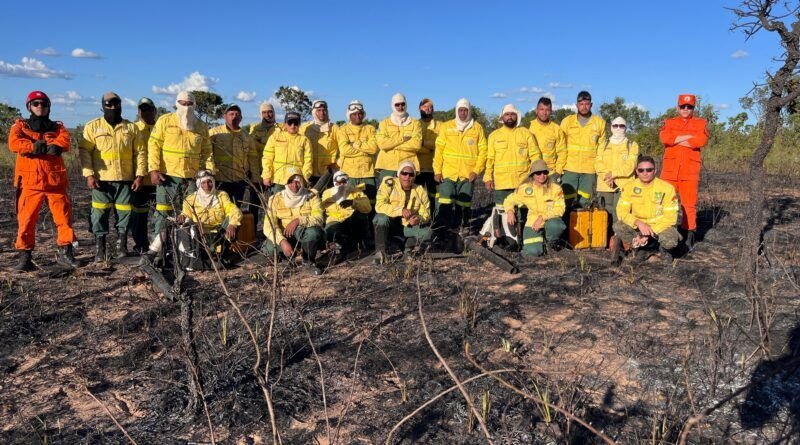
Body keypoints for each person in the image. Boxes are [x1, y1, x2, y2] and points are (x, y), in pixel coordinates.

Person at [8, 91, 79, 270]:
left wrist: (57, 146)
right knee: (26, 221)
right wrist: (32, 147)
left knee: (64, 220)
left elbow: (65, 141)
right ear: (29, 106)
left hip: (55, 183)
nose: (40, 106)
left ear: (49, 106)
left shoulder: (57, 127)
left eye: (43, 103)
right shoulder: (20, 126)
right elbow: (13, 143)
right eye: (36, 103)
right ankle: (25, 258)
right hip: (30, 184)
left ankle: (66, 254)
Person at [144, 90, 214, 261]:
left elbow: (207, 151)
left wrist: (208, 173)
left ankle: (185, 252)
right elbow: (153, 145)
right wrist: (153, 169)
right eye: (183, 103)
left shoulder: (200, 126)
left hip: (192, 178)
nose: (186, 107)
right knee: (163, 213)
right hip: (168, 177)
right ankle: (158, 252)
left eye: (190, 104)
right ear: (177, 103)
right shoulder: (165, 121)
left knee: (190, 215)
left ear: (195, 105)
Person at [79, 92, 147, 261]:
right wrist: (89, 174)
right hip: (101, 181)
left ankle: (122, 247)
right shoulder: (93, 127)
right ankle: (100, 250)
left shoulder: (131, 128)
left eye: (116, 104)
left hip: (125, 180)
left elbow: (140, 153)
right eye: (108, 105)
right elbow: (85, 152)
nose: (113, 107)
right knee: (99, 215)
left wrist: (139, 176)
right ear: (103, 106)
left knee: (125, 215)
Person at [660, 94, 710, 251]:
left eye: (689, 107)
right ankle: (664, 234)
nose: (686, 109)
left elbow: (700, 141)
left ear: (693, 108)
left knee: (689, 205)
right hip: (670, 171)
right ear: (678, 107)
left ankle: (688, 235)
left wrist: (676, 138)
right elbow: (664, 138)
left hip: (689, 172)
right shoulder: (669, 122)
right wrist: (687, 137)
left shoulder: (701, 123)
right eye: (683, 106)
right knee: (664, 203)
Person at [612, 156, 681, 264]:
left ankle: (663, 250)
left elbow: (671, 217)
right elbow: (622, 212)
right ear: (637, 171)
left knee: (670, 240)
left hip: (659, 227)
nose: (645, 173)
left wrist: (651, 230)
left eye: (649, 170)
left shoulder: (667, 189)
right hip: (638, 226)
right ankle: (642, 249)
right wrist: (638, 223)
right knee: (618, 226)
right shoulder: (629, 187)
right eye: (641, 170)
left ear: (655, 171)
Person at [433, 98, 488, 232]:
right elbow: (439, 151)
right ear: (456, 111)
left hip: (467, 175)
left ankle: (461, 229)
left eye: (465, 110)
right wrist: (437, 171)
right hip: (447, 173)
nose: (463, 113)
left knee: (463, 205)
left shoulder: (477, 128)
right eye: (460, 110)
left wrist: (476, 171)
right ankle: (442, 230)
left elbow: (483, 151)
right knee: (445, 202)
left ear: (469, 111)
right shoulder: (446, 126)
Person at [175, 170, 242, 269]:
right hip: (199, 236)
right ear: (198, 184)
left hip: (219, 234)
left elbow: (233, 210)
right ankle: (196, 260)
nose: (207, 185)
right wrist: (182, 216)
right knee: (186, 226)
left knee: (232, 218)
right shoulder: (190, 199)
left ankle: (221, 253)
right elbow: (186, 214)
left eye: (210, 181)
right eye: (203, 182)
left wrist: (232, 225)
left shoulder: (222, 195)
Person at [263, 174, 324, 275]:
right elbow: (268, 226)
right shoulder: (275, 199)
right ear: (286, 184)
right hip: (285, 235)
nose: (294, 185)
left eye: (297, 182)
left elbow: (319, 219)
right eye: (290, 182)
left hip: (304, 234)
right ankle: (287, 260)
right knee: (269, 249)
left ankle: (308, 261)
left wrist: (298, 220)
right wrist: (282, 241)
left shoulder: (312, 196)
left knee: (313, 232)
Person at [373, 161, 432, 264]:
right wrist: (400, 210)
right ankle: (380, 252)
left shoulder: (420, 190)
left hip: (407, 226)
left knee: (428, 233)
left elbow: (426, 213)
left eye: (411, 174)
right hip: (390, 224)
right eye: (404, 173)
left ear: (414, 176)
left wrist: (419, 219)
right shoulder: (389, 183)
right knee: (380, 219)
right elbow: (379, 205)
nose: (407, 177)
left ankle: (406, 248)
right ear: (398, 174)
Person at [503, 159, 566, 256]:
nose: (542, 175)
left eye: (544, 172)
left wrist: (542, 218)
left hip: (549, 219)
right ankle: (539, 245)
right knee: (532, 253)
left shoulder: (555, 188)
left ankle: (551, 244)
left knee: (556, 225)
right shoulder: (525, 189)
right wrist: (510, 211)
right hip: (533, 222)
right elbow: (509, 200)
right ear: (532, 174)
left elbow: (560, 209)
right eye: (538, 173)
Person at [485, 103, 541, 205]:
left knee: (525, 214)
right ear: (502, 117)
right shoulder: (494, 136)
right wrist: (488, 177)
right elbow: (490, 159)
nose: (510, 117)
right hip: (502, 184)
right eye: (507, 114)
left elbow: (535, 156)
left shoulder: (526, 134)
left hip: (523, 182)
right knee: (504, 214)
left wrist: (536, 176)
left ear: (517, 116)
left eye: (512, 114)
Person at [560, 91, 607, 209]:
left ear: (591, 105)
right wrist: (560, 167)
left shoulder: (599, 123)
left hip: (589, 170)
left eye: (587, 104)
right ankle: (567, 227)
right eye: (581, 104)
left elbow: (602, 148)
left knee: (585, 202)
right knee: (567, 201)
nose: (584, 106)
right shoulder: (567, 121)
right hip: (569, 168)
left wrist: (599, 168)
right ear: (576, 105)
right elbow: (560, 145)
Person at [595, 116, 639, 228]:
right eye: (615, 125)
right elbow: (598, 162)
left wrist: (613, 175)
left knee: (620, 212)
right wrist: (607, 177)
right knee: (605, 212)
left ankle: (618, 238)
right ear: (611, 127)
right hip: (605, 184)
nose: (618, 128)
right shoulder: (603, 144)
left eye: (622, 126)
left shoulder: (632, 145)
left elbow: (631, 165)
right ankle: (604, 238)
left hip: (624, 185)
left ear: (626, 128)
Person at [210, 104, 255, 204]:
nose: (234, 116)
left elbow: (253, 157)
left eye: (237, 114)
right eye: (231, 114)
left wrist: (255, 177)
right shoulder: (214, 133)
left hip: (239, 181)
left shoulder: (246, 136)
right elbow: (206, 153)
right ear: (225, 116)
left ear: (241, 118)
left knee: (236, 209)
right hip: (220, 180)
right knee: (220, 209)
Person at [130, 98, 158, 254]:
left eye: (148, 109)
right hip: (139, 181)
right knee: (139, 216)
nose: (145, 112)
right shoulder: (134, 129)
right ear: (139, 112)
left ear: (154, 111)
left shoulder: (161, 127)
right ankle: (140, 245)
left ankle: (157, 247)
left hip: (158, 181)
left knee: (159, 216)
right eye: (142, 109)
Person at [336, 100, 379, 203]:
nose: (357, 116)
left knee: (370, 202)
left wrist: (355, 145)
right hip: (349, 174)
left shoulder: (370, 129)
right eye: (354, 114)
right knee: (350, 202)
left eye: (360, 114)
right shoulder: (343, 130)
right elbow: (344, 150)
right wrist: (365, 151)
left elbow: (373, 149)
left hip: (367, 173)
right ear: (349, 116)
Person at [321, 171, 372, 255]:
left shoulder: (356, 191)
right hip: (335, 219)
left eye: (344, 182)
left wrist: (353, 202)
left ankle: (358, 243)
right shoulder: (327, 193)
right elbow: (321, 209)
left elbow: (368, 208)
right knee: (331, 230)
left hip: (351, 220)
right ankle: (340, 247)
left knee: (360, 218)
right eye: (339, 182)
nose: (342, 185)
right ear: (334, 182)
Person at [248, 102, 282, 227]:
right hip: (257, 171)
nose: (267, 115)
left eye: (270, 112)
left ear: (274, 113)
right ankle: (252, 231)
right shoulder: (255, 128)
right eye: (264, 112)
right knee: (254, 204)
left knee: (275, 204)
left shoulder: (280, 128)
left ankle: (274, 230)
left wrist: (259, 143)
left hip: (275, 172)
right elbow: (251, 147)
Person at [261, 111, 312, 193]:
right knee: (277, 204)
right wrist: (267, 175)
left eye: (296, 123)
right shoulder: (275, 137)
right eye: (290, 122)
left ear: (299, 124)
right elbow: (267, 157)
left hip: (296, 181)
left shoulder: (304, 140)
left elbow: (308, 161)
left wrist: (305, 177)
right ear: (285, 124)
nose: (293, 125)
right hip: (279, 181)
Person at [375, 93, 422, 181]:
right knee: (386, 193)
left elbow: (416, 145)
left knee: (408, 194)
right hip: (387, 166)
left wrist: (392, 145)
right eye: (397, 105)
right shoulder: (384, 123)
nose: (400, 107)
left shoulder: (415, 123)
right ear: (393, 105)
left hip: (409, 166)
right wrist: (402, 140)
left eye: (402, 104)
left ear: (406, 104)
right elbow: (382, 144)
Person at [529, 97, 566, 184]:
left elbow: (562, 152)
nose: (544, 113)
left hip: (551, 173)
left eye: (547, 110)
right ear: (536, 110)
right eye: (541, 109)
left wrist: (558, 172)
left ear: (551, 111)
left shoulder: (556, 129)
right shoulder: (529, 128)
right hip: (534, 173)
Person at [302, 100, 339, 186]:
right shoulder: (305, 128)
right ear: (314, 112)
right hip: (310, 174)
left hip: (329, 173)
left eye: (324, 110)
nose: (322, 113)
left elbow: (343, 149)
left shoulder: (334, 128)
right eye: (319, 110)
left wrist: (337, 163)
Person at [416, 98, 441, 210]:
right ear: (419, 109)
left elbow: (440, 144)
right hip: (418, 167)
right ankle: (419, 220)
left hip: (434, 168)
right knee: (417, 195)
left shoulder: (440, 125)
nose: (428, 109)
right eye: (425, 107)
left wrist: (424, 143)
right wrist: (429, 149)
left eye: (430, 107)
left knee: (434, 196)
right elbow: (414, 145)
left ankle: (435, 221)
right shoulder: (414, 124)